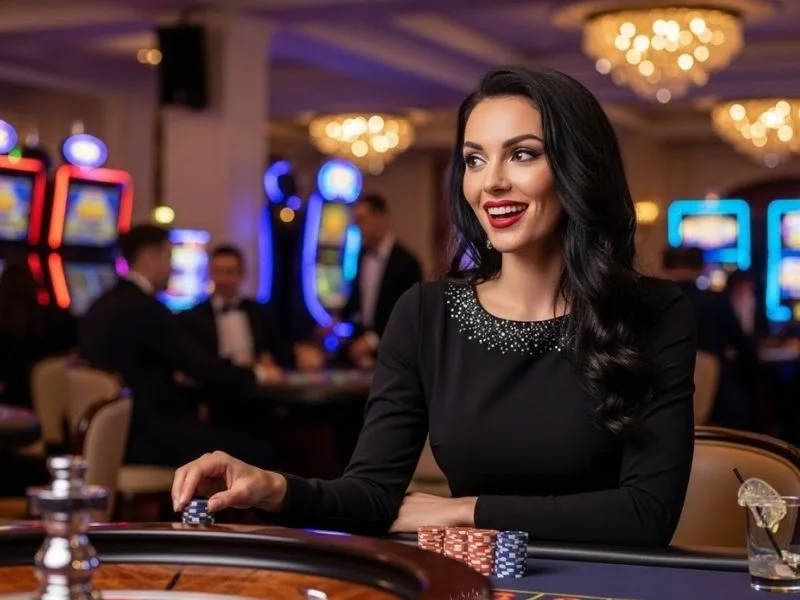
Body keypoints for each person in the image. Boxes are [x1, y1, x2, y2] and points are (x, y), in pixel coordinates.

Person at [172, 66, 697, 546]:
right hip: (475, 580)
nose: (491, 182)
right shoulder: (427, 312)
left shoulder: (652, 311)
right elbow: (373, 495)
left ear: (577, 167)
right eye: (474, 159)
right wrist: (272, 487)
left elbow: (647, 514)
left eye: (522, 154)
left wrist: (463, 511)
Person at [79, 224, 277, 468]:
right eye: (169, 257)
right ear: (150, 258)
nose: (172, 268)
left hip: (111, 436)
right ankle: (209, 507)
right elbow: (199, 365)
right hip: (145, 436)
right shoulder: (145, 309)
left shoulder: (99, 305)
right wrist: (256, 374)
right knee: (261, 449)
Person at [338, 194, 422, 367]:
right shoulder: (361, 255)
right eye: (356, 221)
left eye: (362, 220)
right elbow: (356, 303)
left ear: (381, 218)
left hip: (394, 354)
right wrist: (335, 321)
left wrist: (372, 341)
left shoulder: (407, 263)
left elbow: (409, 317)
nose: (357, 227)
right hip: (359, 351)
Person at [180, 244, 293, 371]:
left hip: (256, 385)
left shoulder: (261, 313)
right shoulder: (192, 317)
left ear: (241, 274)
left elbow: (279, 352)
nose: (223, 279)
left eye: (229, 272)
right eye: (218, 272)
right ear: (210, 273)